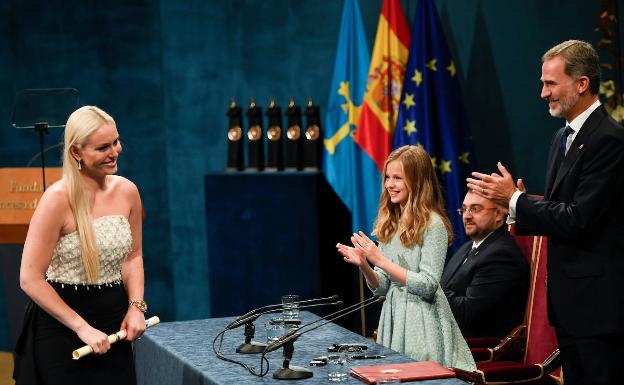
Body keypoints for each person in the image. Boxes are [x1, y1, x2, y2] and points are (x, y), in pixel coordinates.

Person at [467, 40, 624, 385]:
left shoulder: (609, 140)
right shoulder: (560, 138)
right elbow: (557, 212)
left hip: (598, 310)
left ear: (582, 84)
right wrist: (516, 206)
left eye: (551, 83)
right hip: (567, 307)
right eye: (543, 83)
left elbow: (577, 218)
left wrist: (515, 201)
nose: (543, 93)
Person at [14, 106, 146, 385]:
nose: (115, 152)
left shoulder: (128, 191)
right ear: (76, 152)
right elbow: (30, 279)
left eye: (116, 141)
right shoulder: (56, 200)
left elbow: (133, 256)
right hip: (62, 329)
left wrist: (136, 307)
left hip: (114, 319)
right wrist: (82, 328)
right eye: (103, 147)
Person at [336, 145, 476, 370]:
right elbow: (382, 287)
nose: (389, 184)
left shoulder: (433, 224)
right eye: (388, 177)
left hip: (422, 323)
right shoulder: (389, 223)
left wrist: (380, 260)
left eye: (398, 178)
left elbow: (428, 285)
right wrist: (365, 265)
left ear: (417, 181)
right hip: (393, 318)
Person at [441, 190, 529, 339]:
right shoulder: (467, 247)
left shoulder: (502, 256)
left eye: (475, 209)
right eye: (464, 209)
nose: (467, 216)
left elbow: (468, 314)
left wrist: (431, 289)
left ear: (499, 214)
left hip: (474, 351)